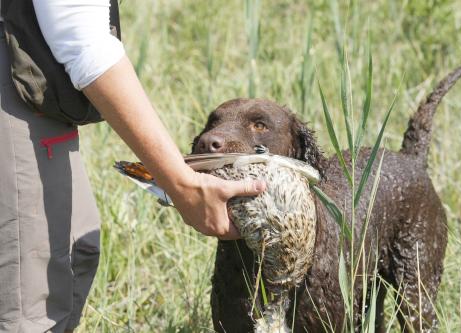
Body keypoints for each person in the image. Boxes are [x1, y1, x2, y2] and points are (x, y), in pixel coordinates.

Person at [0, 1, 266, 332]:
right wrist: (183, 184)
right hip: (13, 63)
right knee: (31, 293)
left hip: (33, 65)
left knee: (73, 253)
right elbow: (83, 41)